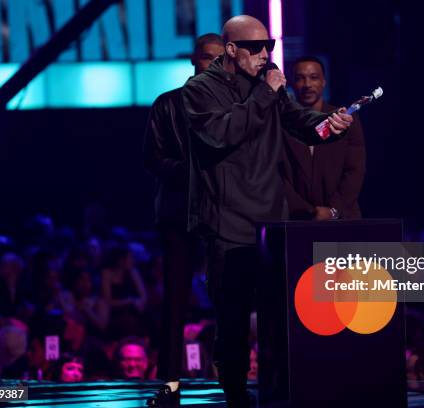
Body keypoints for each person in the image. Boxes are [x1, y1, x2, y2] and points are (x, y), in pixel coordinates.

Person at [182, 15, 353, 407]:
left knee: (279, 313)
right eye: (256, 48)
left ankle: (282, 388)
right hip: (229, 219)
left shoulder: (268, 85)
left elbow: (298, 121)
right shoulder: (200, 90)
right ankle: (236, 394)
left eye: (270, 47)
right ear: (230, 50)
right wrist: (264, 94)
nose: (265, 55)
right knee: (234, 316)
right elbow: (220, 133)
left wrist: (330, 125)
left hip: (271, 220)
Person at [143, 33, 225, 407]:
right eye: (208, 58)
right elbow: (154, 160)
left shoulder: (233, 106)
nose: (215, 64)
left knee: (230, 298)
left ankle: (231, 376)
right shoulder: (168, 104)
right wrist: (199, 172)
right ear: (195, 61)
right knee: (175, 300)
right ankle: (171, 381)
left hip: (224, 214)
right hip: (179, 213)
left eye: (220, 58)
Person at [283, 56, 366, 220]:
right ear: (292, 83)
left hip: (343, 218)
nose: (307, 85)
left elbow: (355, 170)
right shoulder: (282, 123)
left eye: (314, 77)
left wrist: (334, 210)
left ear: (324, 82)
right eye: (300, 78)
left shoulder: (345, 118)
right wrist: (309, 212)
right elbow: (279, 176)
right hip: (297, 220)